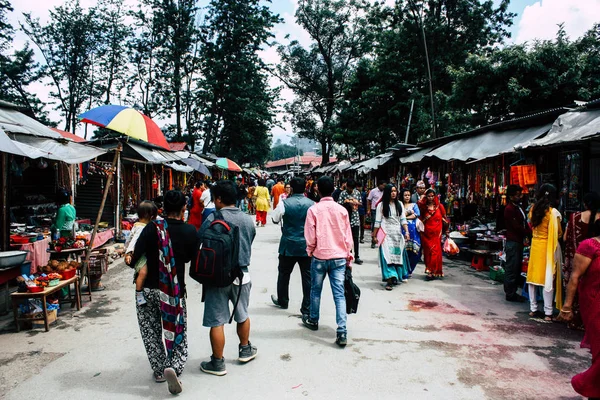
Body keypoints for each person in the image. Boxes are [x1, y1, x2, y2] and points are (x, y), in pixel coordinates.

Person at [126, 190, 197, 395]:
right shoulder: (190, 231)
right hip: (173, 292)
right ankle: (174, 366)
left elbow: (135, 258)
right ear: (184, 208)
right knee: (177, 329)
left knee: (150, 330)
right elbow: (193, 259)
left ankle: (159, 370)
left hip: (147, 289)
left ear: (163, 208)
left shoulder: (150, 229)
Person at [198, 180, 257, 376]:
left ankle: (217, 362)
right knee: (242, 314)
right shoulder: (248, 219)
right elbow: (250, 239)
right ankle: (245, 349)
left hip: (216, 277)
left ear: (220, 199)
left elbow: (201, 241)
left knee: (217, 320)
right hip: (242, 276)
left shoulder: (212, 218)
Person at [303, 175, 354, 347]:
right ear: (333, 189)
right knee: (339, 294)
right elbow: (348, 236)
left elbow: (310, 236)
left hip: (319, 256)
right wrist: (349, 255)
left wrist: (310, 250)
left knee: (315, 290)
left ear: (317, 189)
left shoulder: (313, 210)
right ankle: (342, 331)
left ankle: (313, 319)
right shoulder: (342, 210)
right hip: (339, 257)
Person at [557, 218, 600, 399]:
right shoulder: (589, 246)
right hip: (593, 301)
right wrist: (567, 306)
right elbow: (574, 277)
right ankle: (586, 385)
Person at [270, 177, 313, 317]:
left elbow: (275, 219)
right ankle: (306, 306)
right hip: (306, 245)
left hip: (288, 244)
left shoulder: (284, 204)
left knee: (283, 274)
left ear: (291, 189)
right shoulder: (312, 204)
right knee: (307, 277)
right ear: (305, 189)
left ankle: (283, 300)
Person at [562, 192, 600, 330]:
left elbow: (566, 238)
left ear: (584, 203)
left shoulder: (575, 217)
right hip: (596, 263)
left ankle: (574, 317)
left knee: (576, 284)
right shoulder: (598, 218)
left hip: (577, 260)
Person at [526, 184, 562, 322]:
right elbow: (558, 232)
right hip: (548, 247)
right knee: (548, 278)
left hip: (535, 245)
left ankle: (533, 308)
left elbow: (530, 226)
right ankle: (548, 312)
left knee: (533, 278)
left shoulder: (533, 210)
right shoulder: (553, 213)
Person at [372, 185, 411, 290]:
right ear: (387, 193)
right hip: (385, 235)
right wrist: (374, 235)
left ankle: (395, 276)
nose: (393, 193)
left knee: (397, 256)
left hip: (397, 234)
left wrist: (406, 232)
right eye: (391, 191)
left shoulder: (400, 205)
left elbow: (403, 220)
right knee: (387, 256)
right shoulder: (381, 205)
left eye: (395, 191)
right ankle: (389, 278)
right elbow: (377, 222)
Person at [124, 201, 158, 306]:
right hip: (139, 255)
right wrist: (129, 253)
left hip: (141, 253)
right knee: (143, 272)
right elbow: (133, 242)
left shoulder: (137, 225)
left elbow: (128, 240)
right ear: (150, 216)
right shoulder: (142, 228)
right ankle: (139, 294)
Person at [503, 184, 531, 303]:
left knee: (516, 267)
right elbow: (517, 227)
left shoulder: (518, 207)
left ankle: (512, 291)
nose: (519, 197)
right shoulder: (509, 209)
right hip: (513, 241)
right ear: (511, 196)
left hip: (517, 241)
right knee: (512, 268)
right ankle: (510, 293)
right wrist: (529, 233)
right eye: (517, 195)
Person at [418, 188, 447, 280]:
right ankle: (429, 269)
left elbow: (445, 220)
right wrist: (422, 198)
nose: (430, 198)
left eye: (432, 196)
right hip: (426, 234)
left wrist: (446, 231)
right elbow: (419, 214)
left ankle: (432, 271)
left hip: (436, 234)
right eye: (429, 196)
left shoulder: (440, 207)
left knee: (435, 252)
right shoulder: (423, 207)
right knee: (427, 252)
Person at [338, 179, 363, 265]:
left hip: (355, 218)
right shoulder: (343, 193)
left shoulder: (357, 193)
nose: (350, 190)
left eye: (352, 189)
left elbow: (360, 203)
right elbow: (339, 205)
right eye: (349, 188)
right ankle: (349, 254)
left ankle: (357, 256)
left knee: (355, 238)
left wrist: (356, 202)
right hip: (345, 219)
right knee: (346, 238)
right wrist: (347, 202)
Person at [400, 188, 421, 275]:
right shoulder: (399, 204)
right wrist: (409, 213)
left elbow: (417, 214)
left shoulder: (414, 205)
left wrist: (404, 217)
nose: (407, 197)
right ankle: (403, 271)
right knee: (403, 252)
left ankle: (409, 270)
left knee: (415, 252)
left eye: (408, 195)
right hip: (401, 230)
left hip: (413, 231)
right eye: (405, 195)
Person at [367, 181, 386, 248]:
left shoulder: (385, 192)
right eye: (383, 185)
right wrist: (368, 209)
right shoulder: (373, 191)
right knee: (374, 225)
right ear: (379, 184)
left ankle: (380, 241)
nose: (384, 187)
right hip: (374, 210)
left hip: (382, 210)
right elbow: (369, 200)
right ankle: (373, 241)